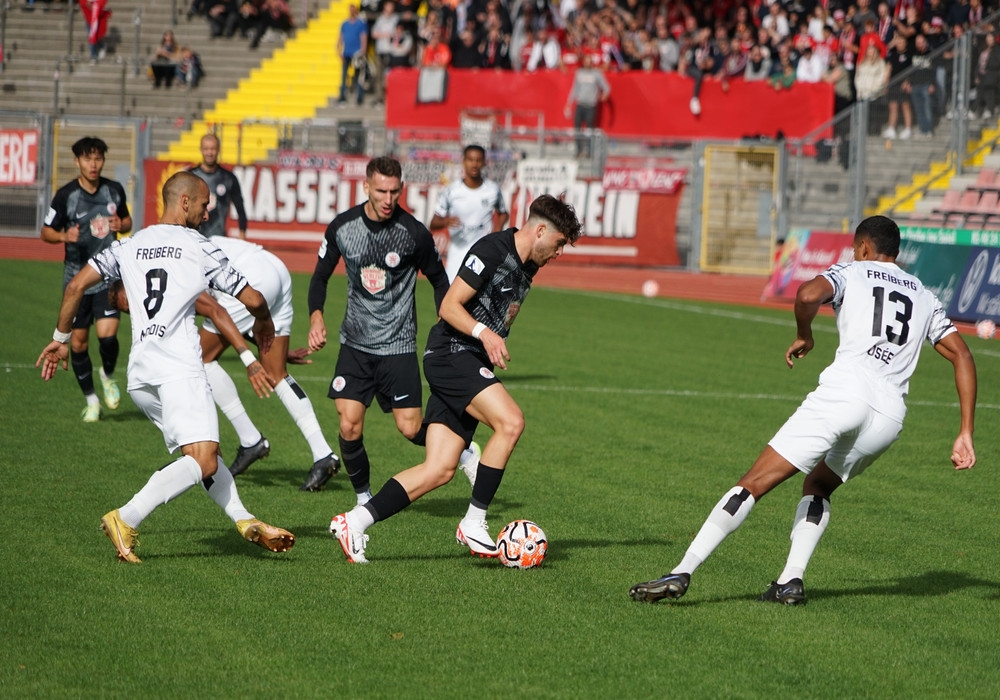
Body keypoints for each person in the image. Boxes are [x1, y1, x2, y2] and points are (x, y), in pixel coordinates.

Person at [629, 215, 976, 605]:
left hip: (845, 394)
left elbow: (808, 295)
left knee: (754, 482)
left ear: (863, 247)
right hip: (889, 417)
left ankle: (682, 571)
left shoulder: (853, 271)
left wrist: (804, 334)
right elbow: (963, 356)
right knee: (819, 486)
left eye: (855, 248)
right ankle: (790, 581)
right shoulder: (924, 296)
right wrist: (965, 431)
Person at [37, 171, 296, 563]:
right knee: (203, 458)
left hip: (141, 375)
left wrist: (60, 338)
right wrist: (264, 323)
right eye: (204, 205)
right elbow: (254, 298)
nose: (208, 214)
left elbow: (75, 287)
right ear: (185, 202)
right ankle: (126, 517)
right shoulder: (199, 246)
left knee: (201, 453)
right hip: (179, 369)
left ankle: (244, 520)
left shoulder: (128, 244)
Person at [330, 194, 583, 563]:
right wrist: (484, 333)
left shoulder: (529, 264)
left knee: (439, 469)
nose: (559, 253)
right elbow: (449, 306)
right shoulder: (493, 250)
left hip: (467, 360)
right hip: (451, 354)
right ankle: (474, 522)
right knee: (511, 422)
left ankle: (354, 522)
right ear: (540, 230)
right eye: (559, 243)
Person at [307, 156, 452, 507]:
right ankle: (363, 500)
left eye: (395, 192)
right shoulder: (343, 227)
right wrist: (316, 317)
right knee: (349, 425)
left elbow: (439, 280)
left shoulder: (413, 233)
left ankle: (460, 450)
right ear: (366, 187)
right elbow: (320, 277)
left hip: (397, 346)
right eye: (381, 191)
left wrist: (445, 323)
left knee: (410, 428)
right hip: (355, 344)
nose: (388, 199)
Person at [198, 236, 341, 491]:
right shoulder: (191, 242)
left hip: (252, 279)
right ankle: (323, 454)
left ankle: (251, 440)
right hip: (275, 268)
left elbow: (218, 314)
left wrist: (248, 358)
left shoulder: (171, 264)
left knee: (200, 359)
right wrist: (270, 348)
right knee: (276, 372)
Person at [40, 136, 132, 422]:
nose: (93, 164)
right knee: (78, 344)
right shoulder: (65, 195)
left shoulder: (114, 190)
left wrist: (122, 224)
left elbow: (127, 220)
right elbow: (45, 232)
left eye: (98, 159)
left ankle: (107, 375)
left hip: (107, 278)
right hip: (77, 282)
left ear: (103, 161)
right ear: (77, 161)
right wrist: (63, 235)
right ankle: (92, 401)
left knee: (108, 337)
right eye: (87, 159)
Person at [430, 145, 509, 283]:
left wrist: (497, 230)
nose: (474, 164)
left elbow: (503, 213)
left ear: (484, 162)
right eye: (470, 160)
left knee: (482, 291)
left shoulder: (492, 190)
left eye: (478, 160)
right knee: (452, 292)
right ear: (464, 161)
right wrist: (446, 221)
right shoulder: (451, 191)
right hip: (457, 252)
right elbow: (433, 223)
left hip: (483, 252)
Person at [188, 133, 248, 239]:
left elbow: (240, 209)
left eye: (213, 149)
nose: (209, 153)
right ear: (201, 149)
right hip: (194, 237)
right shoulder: (190, 176)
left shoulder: (229, 178)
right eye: (206, 149)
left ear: (218, 149)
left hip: (218, 240)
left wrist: (242, 233)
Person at [563, 51, 610, 157]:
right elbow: (575, 89)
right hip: (580, 104)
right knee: (577, 129)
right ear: (583, 62)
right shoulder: (579, 73)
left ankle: (589, 151)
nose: (587, 63)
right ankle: (578, 150)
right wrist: (569, 103)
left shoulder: (596, 74)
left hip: (591, 106)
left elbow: (606, 87)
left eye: (589, 61)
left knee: (589, 130)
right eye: (586, 61)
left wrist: (603, 95)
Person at [338, 3, 368, 105]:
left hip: (357, 53)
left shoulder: (360, 24)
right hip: (346, 52)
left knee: (358, 76)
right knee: (344, 75)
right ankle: (342, 96)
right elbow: (341, 37)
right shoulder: (345, 24)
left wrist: (363, 52)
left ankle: (359, 96)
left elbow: (363, 38)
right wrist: (339, 50)